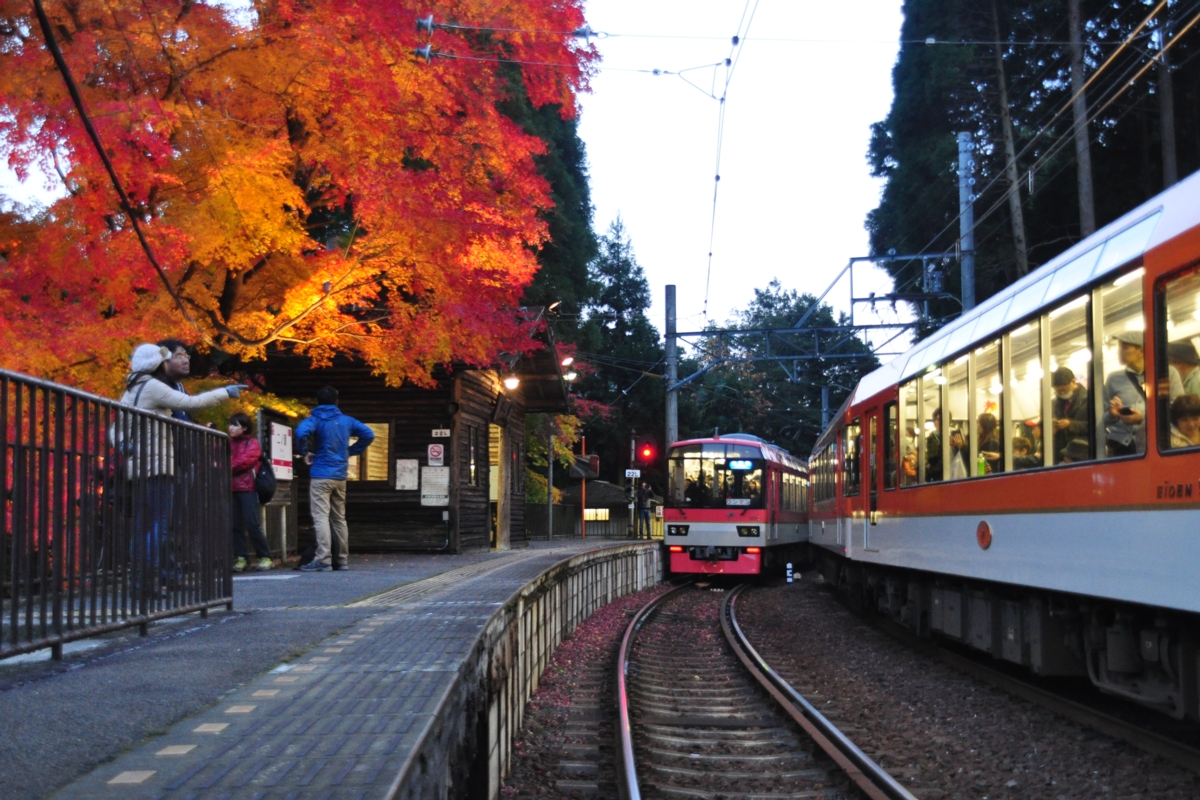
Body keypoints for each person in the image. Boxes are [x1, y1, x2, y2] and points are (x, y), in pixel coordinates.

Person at [118, 344, 243, 593]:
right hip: (159, 464)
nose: (183, 360)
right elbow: (190, 403)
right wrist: (226, 393)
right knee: (160, 524)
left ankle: (143, 577)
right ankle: (145, 579)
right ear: (157, 363)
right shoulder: (154, 386)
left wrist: (122, 444)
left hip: (141, 466)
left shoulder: (132, 389)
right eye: (175, 357)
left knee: (146, 524)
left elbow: (118, 426)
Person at [295, 386, 375, 572]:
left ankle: (323, 559)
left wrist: (305, 451)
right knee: (339, 518)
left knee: (321, 517)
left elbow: (301, 433)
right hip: (340, 475)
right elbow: (369, 434)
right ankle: (342, 559)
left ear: (318, 401)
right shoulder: (347, 421)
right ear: (337, 401)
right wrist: (350, 451)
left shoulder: (315, 420)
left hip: (321, 474)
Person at [228, 413, 274, 572]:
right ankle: (241, 558)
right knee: (235, 525)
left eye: (235, 425)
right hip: (231, 488)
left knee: (252, 524)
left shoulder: (252, 443)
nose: (231, 428)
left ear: (245, 427)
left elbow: (246, 460)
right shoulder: (227, 443)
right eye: (230, 425)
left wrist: (227, 466)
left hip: (248, 488)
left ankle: (265, 556)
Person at [1103, 330, 1148, 457]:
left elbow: (1176, 410)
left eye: (1125, 347)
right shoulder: (1113, 379)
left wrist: (1143, 418)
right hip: (1120, 447)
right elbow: (1102, 419)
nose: (1119, 351)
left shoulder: (1166, 373)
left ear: (1141, 351)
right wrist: (1112, 414)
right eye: (1119, 347)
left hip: (1152, 444)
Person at [1051, 367, 1090, 463]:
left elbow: (1096, 425)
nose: (1061, 394)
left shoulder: (1089, 399)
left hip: (1083, 453)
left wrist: (1071, 424)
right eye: (1058, 392)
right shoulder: (1055, 403)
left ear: (1073, 381)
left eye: (1063, 390)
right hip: (1062, 453)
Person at [156, 339, 196, 422]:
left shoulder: (179, 387)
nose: (186, 361)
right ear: (164, 360)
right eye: (180, 357)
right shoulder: (159, 386)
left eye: (186, 356)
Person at [925, 408, 944, 481]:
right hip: (936, 473)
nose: (936, 422)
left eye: (939, 420)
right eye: (935, 420)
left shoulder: (952, 436)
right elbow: (931, 457)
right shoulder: (932, 436)